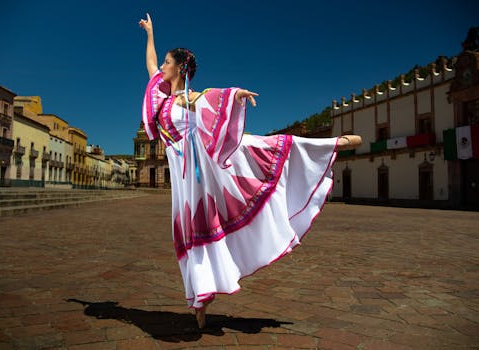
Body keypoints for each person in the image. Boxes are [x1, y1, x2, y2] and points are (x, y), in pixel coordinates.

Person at [138, 13, 361, 329]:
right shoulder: (160, 97)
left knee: (262, 151)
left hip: (201, 171)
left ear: (179, 69)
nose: (161, 66)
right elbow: (149, 64)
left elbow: (208, 97)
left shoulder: (187, 98)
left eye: (166, 62)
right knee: (188, 234)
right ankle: (200, 302)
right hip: (185, 178)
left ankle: (330, 145)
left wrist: (236, 94)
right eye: (162, 61)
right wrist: (150, 33)